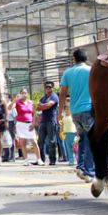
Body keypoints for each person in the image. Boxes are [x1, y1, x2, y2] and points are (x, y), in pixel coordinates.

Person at [59, 49, 95, 182]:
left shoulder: (67, 72)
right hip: (88, 109)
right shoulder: (90, 70)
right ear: (86, 58)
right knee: (92, 141)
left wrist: (60, 112)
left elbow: (62, 93)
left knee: (83, 139)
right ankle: (89, 172)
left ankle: (80, 166)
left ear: (74, 59)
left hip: (75, 111)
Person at [36, 81, 59, 165]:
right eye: (46, 87)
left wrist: (42, 106)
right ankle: (41, 160)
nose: (48, 88)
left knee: (51, 141)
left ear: (52, 88)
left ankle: (52, 160)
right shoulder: (43, 97)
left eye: (49, 87)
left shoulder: (54, 96)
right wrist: (43, 106)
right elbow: (37, 108)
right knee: (40, 141)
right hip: (43, 121)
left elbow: (48, 105)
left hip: (51, 121)